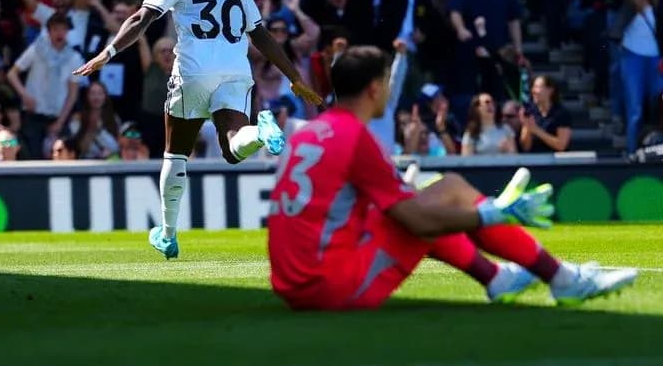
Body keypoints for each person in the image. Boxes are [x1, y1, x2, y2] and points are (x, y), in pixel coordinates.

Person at [267, 45, 636, 311]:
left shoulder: (311, 131)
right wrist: (491, 214)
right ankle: (561, 279)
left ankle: (496, 277)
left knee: (431, 193)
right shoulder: (357, 137)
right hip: (327, 287)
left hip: (294, 283)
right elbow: (414, 219)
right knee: (449, 192)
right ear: (375, 89)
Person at [74, 0, 321, 260]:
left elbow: (141, 18)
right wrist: (294, 78)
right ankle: (262, 133)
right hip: (236, 71)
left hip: (194, 71)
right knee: (234, 147)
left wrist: (108, 51)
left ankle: (168, 233)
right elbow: (261, 35)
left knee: (175, 153)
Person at [519, 74, 573, 153]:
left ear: (550, 90)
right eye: (533, 87)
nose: (534, 91)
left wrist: (536, 130)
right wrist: (527, 127)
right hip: (534, 159)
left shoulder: (561, 113)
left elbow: (561, 146)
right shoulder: (531, 111)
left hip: (556, 161)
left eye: (538, 87)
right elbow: (525, 147)